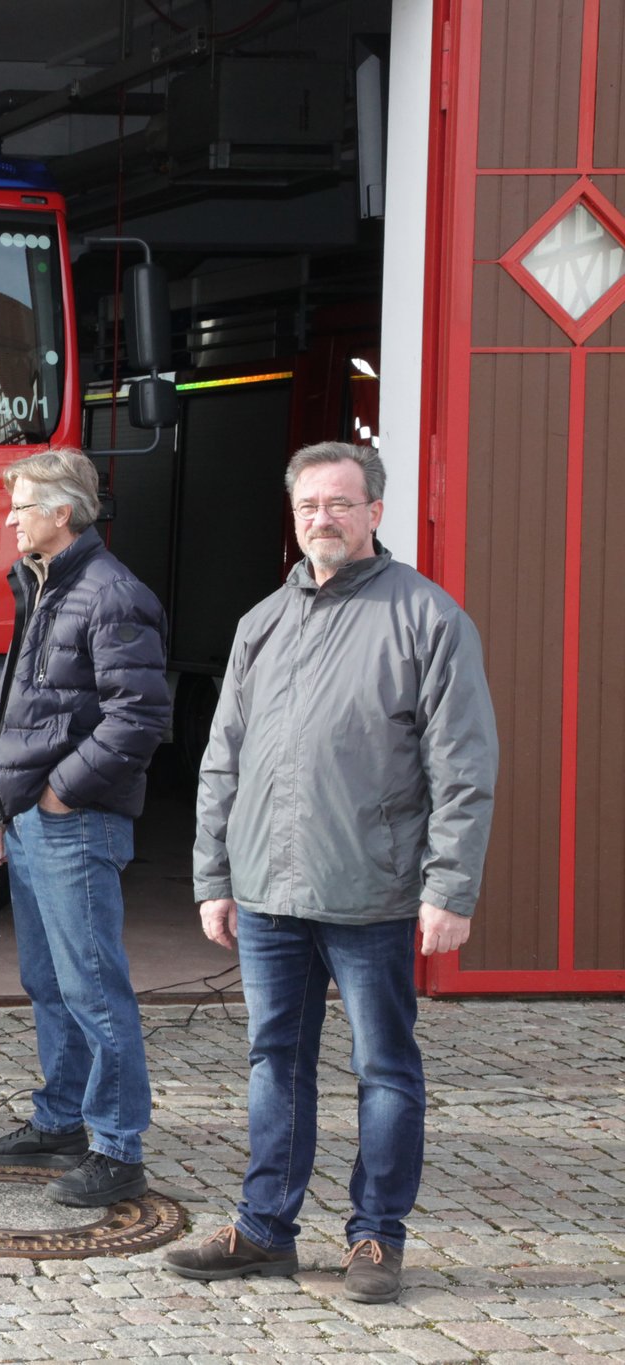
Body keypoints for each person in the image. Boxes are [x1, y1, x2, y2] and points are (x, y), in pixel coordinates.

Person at [164, 441, 498, 1303]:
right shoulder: (262, 622)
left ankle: (377, 1239)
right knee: (275, 1058)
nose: (324, 518)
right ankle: (265, 1228)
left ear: (375, 512)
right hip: (270, 893)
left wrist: (448, 888)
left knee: (385, 1066)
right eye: (310, 504)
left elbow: (463, 765)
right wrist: (213, 874)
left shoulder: (427, 617)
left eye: (342, 503)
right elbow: (222, 761)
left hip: (375, 893)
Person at [0, 448, 170, 1207]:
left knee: (93, 988)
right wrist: (1, 811)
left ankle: (118, 1150)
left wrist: (57, 793)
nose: (8, 517)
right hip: (31, 821)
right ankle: (61, 1119)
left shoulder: (112, 594)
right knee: (49, 981)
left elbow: (141, 717)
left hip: (74, 823)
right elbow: (27, 711)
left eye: (20, 505)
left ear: (61, 513)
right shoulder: (46, 583)